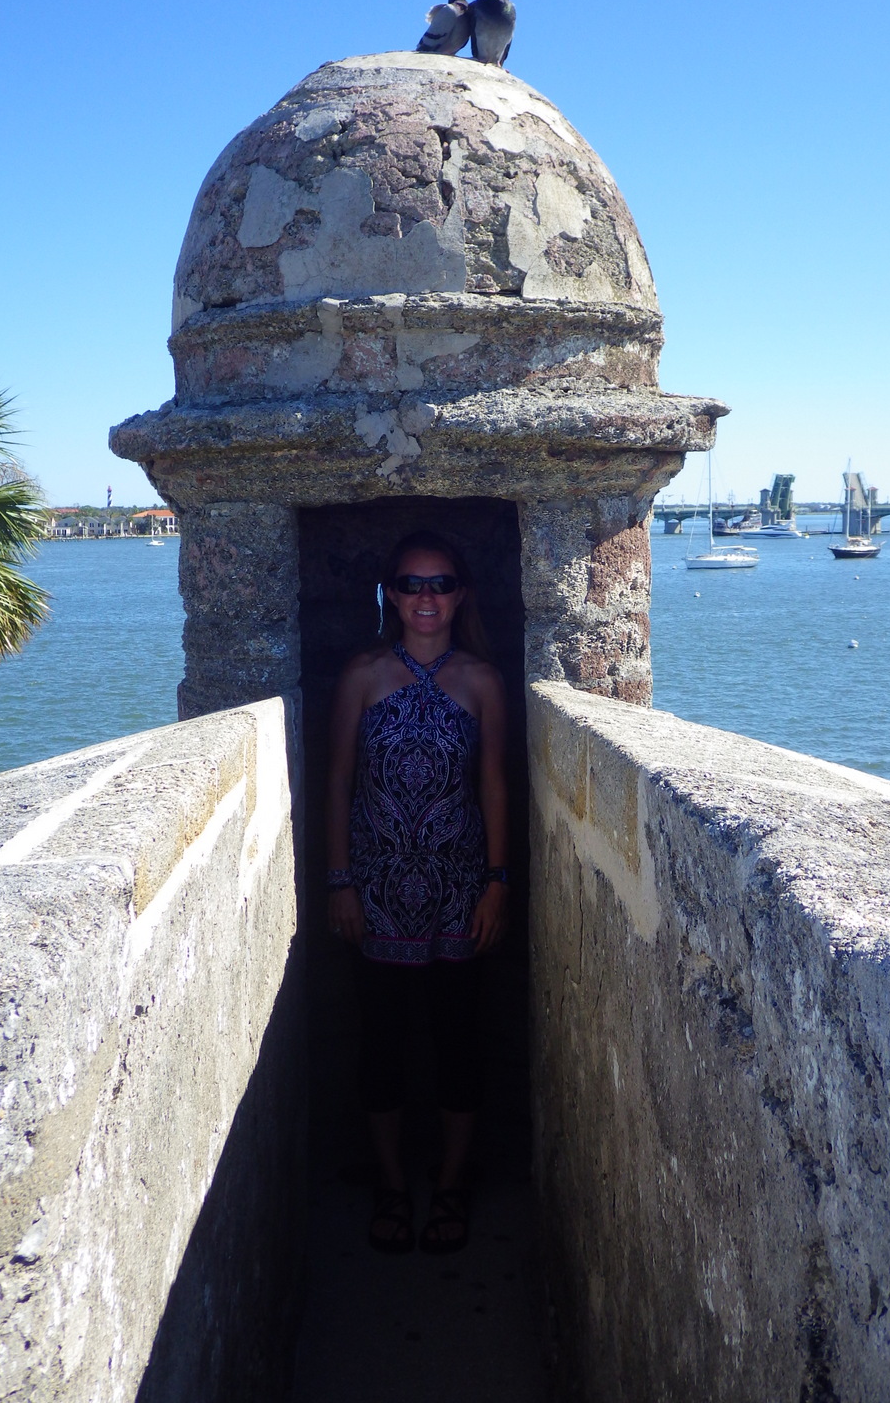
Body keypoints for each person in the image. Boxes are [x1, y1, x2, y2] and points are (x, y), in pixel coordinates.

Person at [325, 530, 508, 1253]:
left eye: (439, 584)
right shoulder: (364, 674)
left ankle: (454, 1184)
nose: (425, 597)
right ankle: (394, 1185)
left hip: (459, 890)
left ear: (460, 594)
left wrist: (497, 884)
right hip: (377, 891)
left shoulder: (481, 680)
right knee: (382, 1046)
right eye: (410, 584)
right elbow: (337, 778)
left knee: (460, 1043)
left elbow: (493, 786)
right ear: (390, 594)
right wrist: (340, 881)